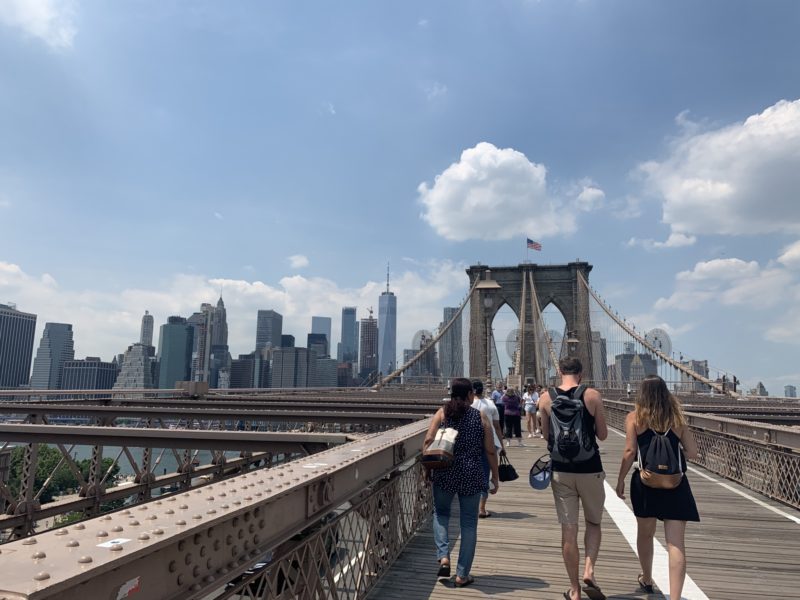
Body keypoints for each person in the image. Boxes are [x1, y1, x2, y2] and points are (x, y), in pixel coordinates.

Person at [615, 375, 700, 599]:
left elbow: (629, 452)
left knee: (645, 534)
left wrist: (620, 479)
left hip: (645, 483)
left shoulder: (634, 418)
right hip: (676, 484)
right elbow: (692, 453)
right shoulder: (678, 419)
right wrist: (671, 455)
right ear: (665, 393)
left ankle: (647, 578)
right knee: (676, 544)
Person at [539, 357, 609, 600]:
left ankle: (575, 590)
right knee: (593, 523)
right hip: (590, 468)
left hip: (561, 471)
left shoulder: (545, 397)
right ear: (581, 373)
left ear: (559, 372)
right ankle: (589, 569)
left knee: (569, 530)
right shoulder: (592, 396)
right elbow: (603, 435)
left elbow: (546, 435)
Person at [424, 377, 499, 587]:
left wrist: (427, 468)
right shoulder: (480, 416)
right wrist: (495, 476)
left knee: (441, 513)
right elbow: (490, 450)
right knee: (468, 523)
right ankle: (462, 575)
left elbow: (428, 442)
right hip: (472, 473)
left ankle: (444, 556)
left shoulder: (442, 413)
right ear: (470, 395)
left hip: (444, 471)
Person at [471, 379, 505, 518]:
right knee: (485, 475)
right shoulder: (491, 405)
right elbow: (497, 427)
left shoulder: (468, 404)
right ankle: (482, 508)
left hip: (471, 443)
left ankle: (469, 505)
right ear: (483, 390)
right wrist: (502, 446)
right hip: (490, 443)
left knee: (471, 474)